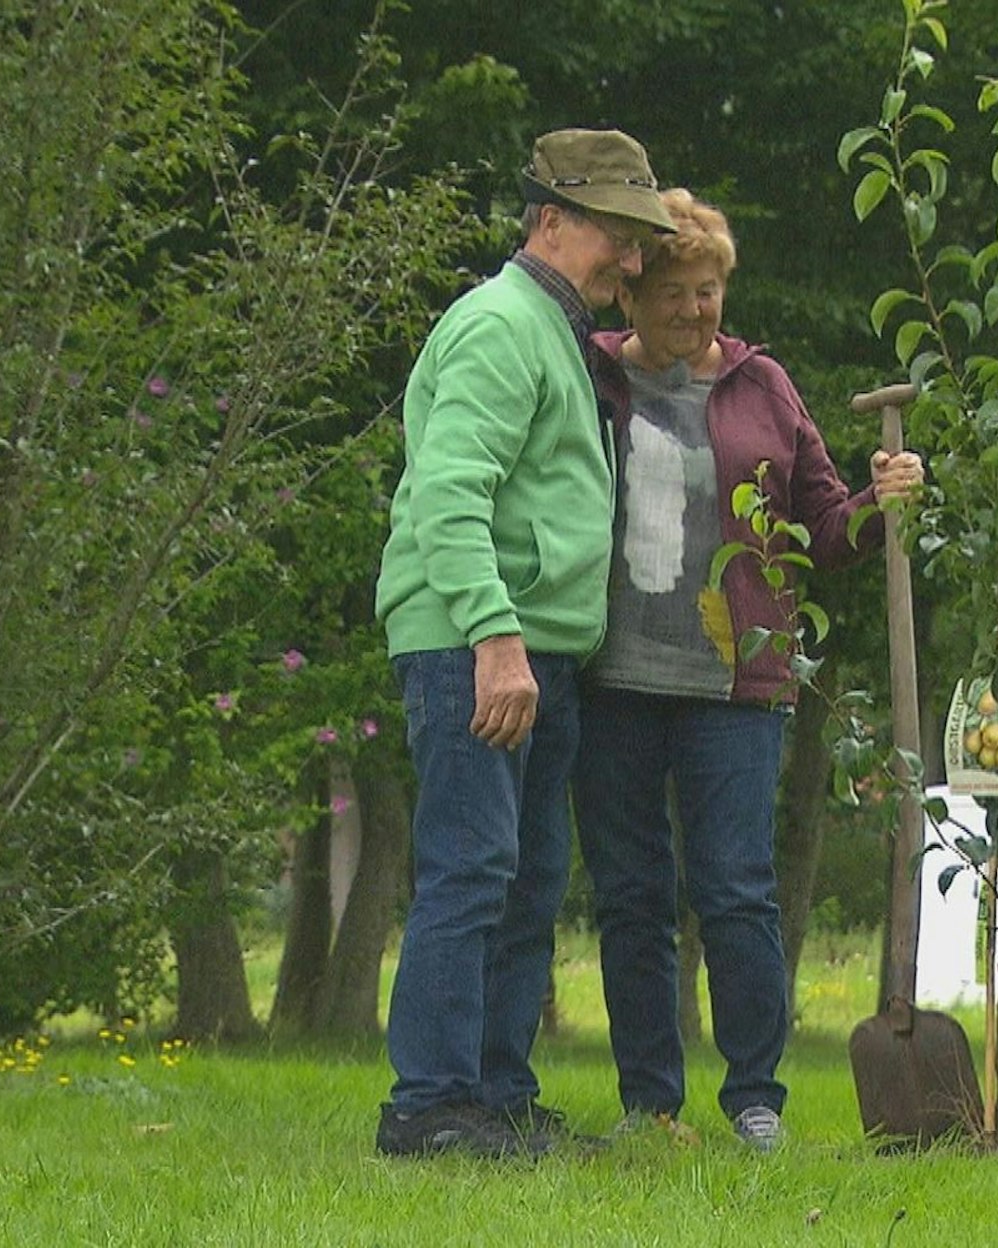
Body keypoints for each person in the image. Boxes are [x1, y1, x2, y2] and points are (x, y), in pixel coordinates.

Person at [575, 188, 924, 1151]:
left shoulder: (761, 386)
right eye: (676, 292)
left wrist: (879, 501)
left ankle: (754, 1100)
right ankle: (649, 1104)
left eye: (711, 291)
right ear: (630, 296)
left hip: (736, 684)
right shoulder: (586, 375)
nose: (696, 311)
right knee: (632, 894)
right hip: (608, 679)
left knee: (734, 887)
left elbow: (821, 524)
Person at [372, 129, 676, 1158]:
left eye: (640, 244)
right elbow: (450, 495)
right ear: (551, 217)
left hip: (529, 650)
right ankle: (427, 1108)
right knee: (470, 872)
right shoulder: (501, 325)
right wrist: (494, 641)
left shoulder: (554, 333)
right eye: (619, 238)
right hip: (475, 642)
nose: (633, 264)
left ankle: (495, 1101)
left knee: (524, 878)